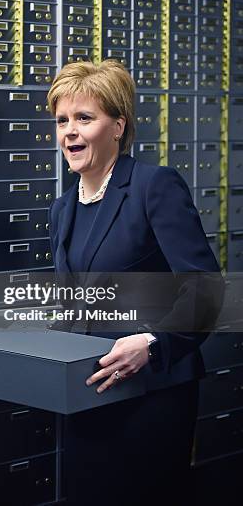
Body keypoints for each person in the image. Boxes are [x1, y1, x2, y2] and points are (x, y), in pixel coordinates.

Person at [46, 60, 224, 506]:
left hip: (153, 393)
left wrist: (153, 342)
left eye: (85, 118)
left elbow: (205, 287)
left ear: (118, 126)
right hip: (89, 393)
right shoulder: (63, 208)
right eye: (62, 120)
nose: (70, 132)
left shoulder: (152, 186)